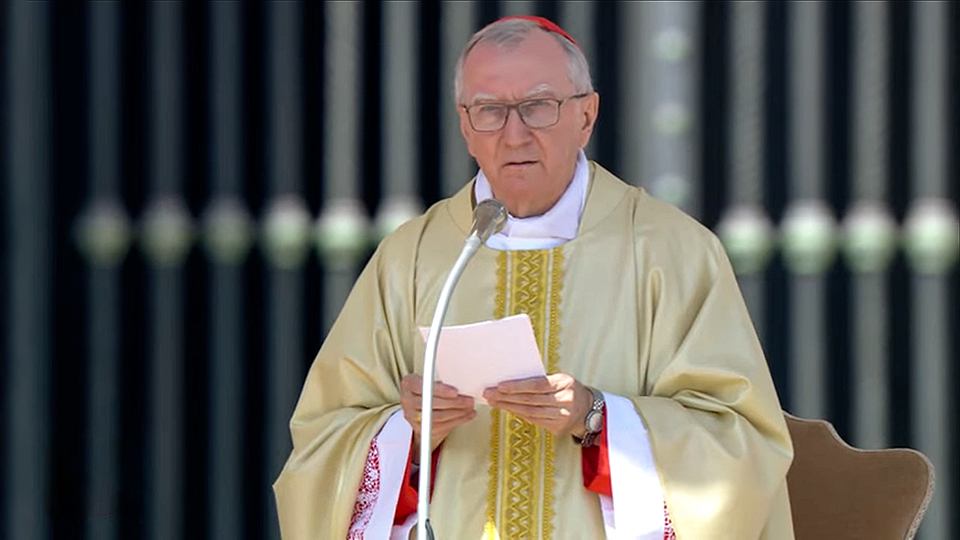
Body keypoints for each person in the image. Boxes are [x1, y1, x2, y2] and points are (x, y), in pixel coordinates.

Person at [274, 15, 794, 540]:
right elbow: (322, 445)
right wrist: (407, 433)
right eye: (490, 111)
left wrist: (596, 417)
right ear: (465, 127)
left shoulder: (671, 252)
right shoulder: (411, 257)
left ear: (586, 116)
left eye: (538, 106)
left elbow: (742, 442)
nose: (514, 134)